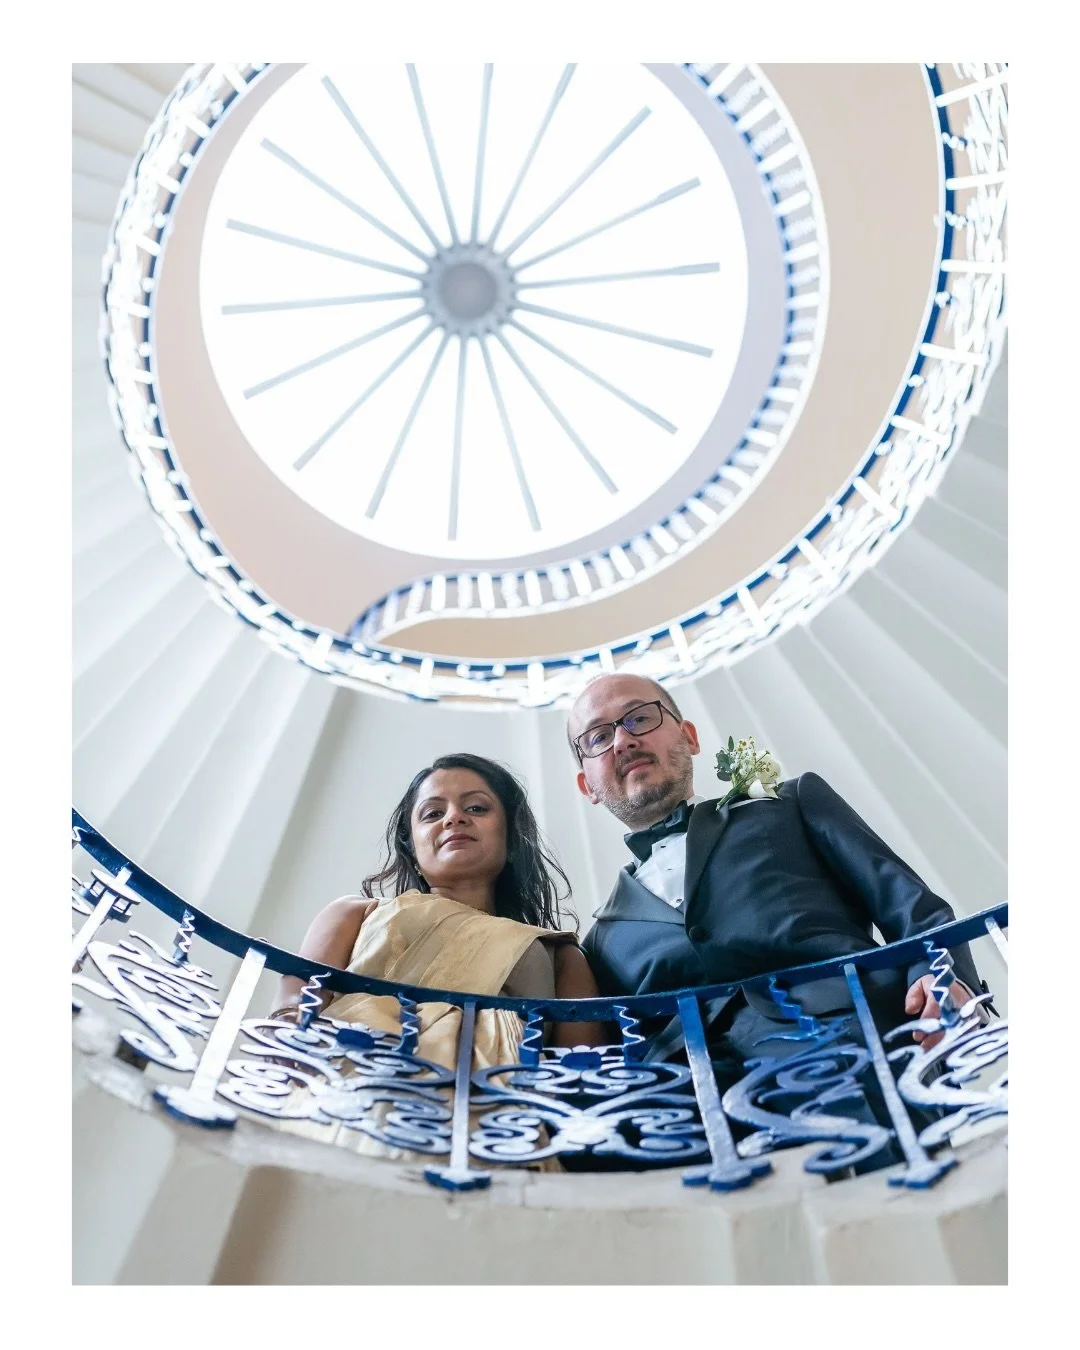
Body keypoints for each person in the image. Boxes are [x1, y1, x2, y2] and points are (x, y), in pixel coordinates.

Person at [567, 673, 991, 1096]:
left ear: (689, 737)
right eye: (598, 737)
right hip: (698, 1117)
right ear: (588, 786)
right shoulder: (597, 945)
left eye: (639, 718)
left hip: (853, 1052)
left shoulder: (791, 803)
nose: (622, 740)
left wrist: (940, 978)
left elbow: (912, 909)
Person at [269, 753, 605, 1158]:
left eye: (476, 808)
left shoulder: (559, 954)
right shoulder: (354, 914)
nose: (454, 819)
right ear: (411, 849)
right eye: (432, 813)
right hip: (348, 1106)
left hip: (493, 1137)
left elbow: (583, 1078)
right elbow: (293, 1012)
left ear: (512, 838)